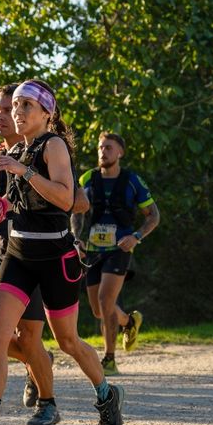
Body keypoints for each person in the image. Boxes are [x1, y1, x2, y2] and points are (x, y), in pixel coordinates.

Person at [0, 80, 124, 425]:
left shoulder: (52, 146)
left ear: (47, 112)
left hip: (54, 259)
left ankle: (107, 396)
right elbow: (14, 206)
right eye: (15, 106)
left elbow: (64, 198)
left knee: (68, 341)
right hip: (17, 256)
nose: (17, 112)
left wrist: (21, 170)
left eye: (26, 105)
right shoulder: (15, 152)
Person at [0, 83, 57, 425]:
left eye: (9, 109)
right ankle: (41, 363)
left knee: (28, 338)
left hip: (31, 254)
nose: (3, 117)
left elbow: (67, 200)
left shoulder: (39, 151)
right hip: (0, 253)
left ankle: (48, 403)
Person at [77, 132, 160, 376]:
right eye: (101, 147)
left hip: (120, 248)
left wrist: (136, 236)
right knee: (97, 310)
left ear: (120, 152)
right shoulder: (87, 179)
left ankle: (109, 359)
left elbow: (154, 216)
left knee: (105, 300)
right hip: (92, 249)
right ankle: (129, 322)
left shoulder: (132, 180)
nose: (103, 151)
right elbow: (76, 211)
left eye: (109, 147)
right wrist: (76, 239)